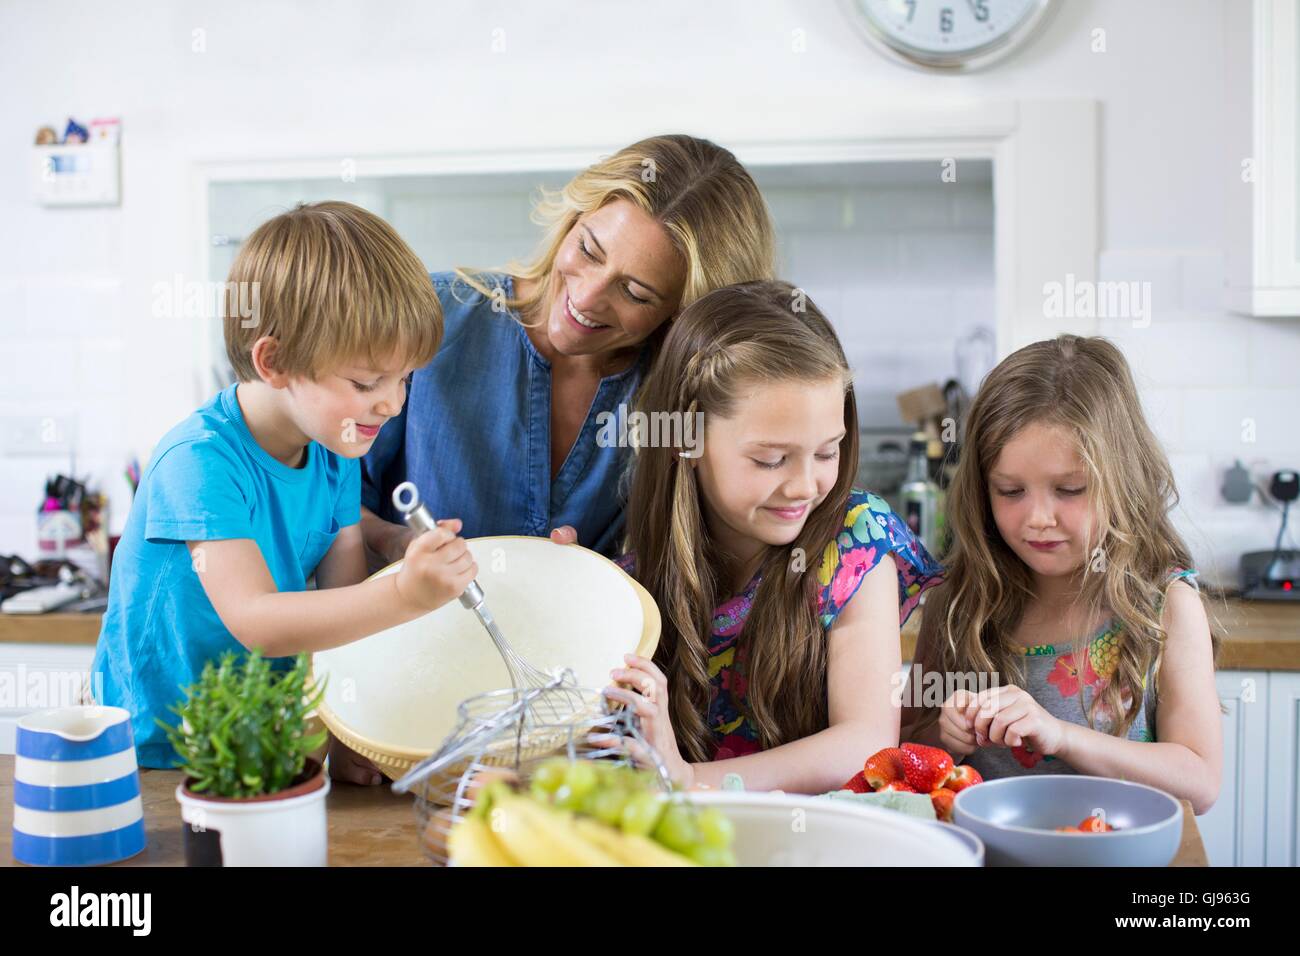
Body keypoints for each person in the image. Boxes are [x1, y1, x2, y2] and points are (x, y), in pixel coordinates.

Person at [92, 202, 474, 780]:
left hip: (265, 742)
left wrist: (349, 728)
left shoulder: (335, 445)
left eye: (405, 379)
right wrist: (406, 594)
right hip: (157, 753)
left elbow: (342, 611)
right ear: (273, 361)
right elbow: (258, 621)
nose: (393, 403)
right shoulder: (197, 463)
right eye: (367, 382)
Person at [360, 134, 776, 563]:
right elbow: (328, 497)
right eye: (588, 250)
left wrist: (605, 578)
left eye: (635, 292)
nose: (587, 297)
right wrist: (393, 541)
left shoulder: (684, 398)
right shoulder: (432, 316)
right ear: (573, 220)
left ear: (679, 313)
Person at [602, 281, 943, 794]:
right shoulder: (634, 580)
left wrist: (690, 780)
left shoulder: (857, 540)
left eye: (828, 452)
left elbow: (867, 743)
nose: (806, 486)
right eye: (771, 459)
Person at [900, 335, 1222, 814]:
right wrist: (945, 735)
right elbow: (905, 748)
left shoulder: (1165, 607)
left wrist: (1062, 736)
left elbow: (1199, 783)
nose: (1037, 518)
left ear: (1123, 479)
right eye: (1010, 491)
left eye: (1069, 489)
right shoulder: (960, 601)